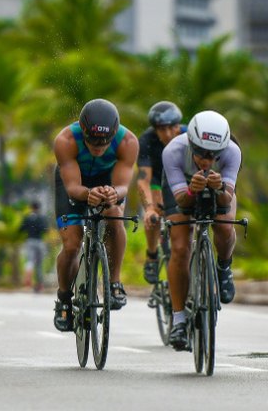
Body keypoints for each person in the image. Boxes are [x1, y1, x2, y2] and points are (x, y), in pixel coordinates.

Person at [52, 99, 139, 332]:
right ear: (83, 130)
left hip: (108, 182)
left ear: (114, 134)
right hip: (74, 182)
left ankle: (115, 282)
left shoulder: (128, 142)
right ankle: (63, 298)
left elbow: (123, 186)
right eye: (92, 141)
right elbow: (72, 188)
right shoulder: (66, 140)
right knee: (72, 244)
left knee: (114, 215)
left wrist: (112, 192)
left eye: (105, 141)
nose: (99, 147)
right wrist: (88, 193)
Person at [161, 110, 241, 351]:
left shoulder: (232, 152)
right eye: (200, 154)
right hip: (183, 190)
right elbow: (181, 204)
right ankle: (178, 319)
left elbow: (226, 200)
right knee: (180, 247)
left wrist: (219, 189)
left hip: (218, 190)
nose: (206, 160)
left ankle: (223, 268)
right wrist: (191, 191)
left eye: (212, 155)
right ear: (191, 143)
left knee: (225, 226)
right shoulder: (173, 151)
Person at [136, 101, 186, 284]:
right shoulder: (147, 141)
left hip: (183, 180)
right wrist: (149, 208)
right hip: (158, 181)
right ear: (155, 129)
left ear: (178, 126)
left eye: (171, 128)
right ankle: (152, 255)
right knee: (155, 214)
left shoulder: (190, 134)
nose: (166, 134)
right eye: (161, 129)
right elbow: (144, 179)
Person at [19, 201, 50, 293]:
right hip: (39, 242)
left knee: (30, 262)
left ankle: (28, 283)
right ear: (39, 208)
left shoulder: (28, 217)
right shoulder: (42, 218)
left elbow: (21, 229)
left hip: (30, 241)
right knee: (39, 264)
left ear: (31, 207)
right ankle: (40, 285)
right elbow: (45, 229)